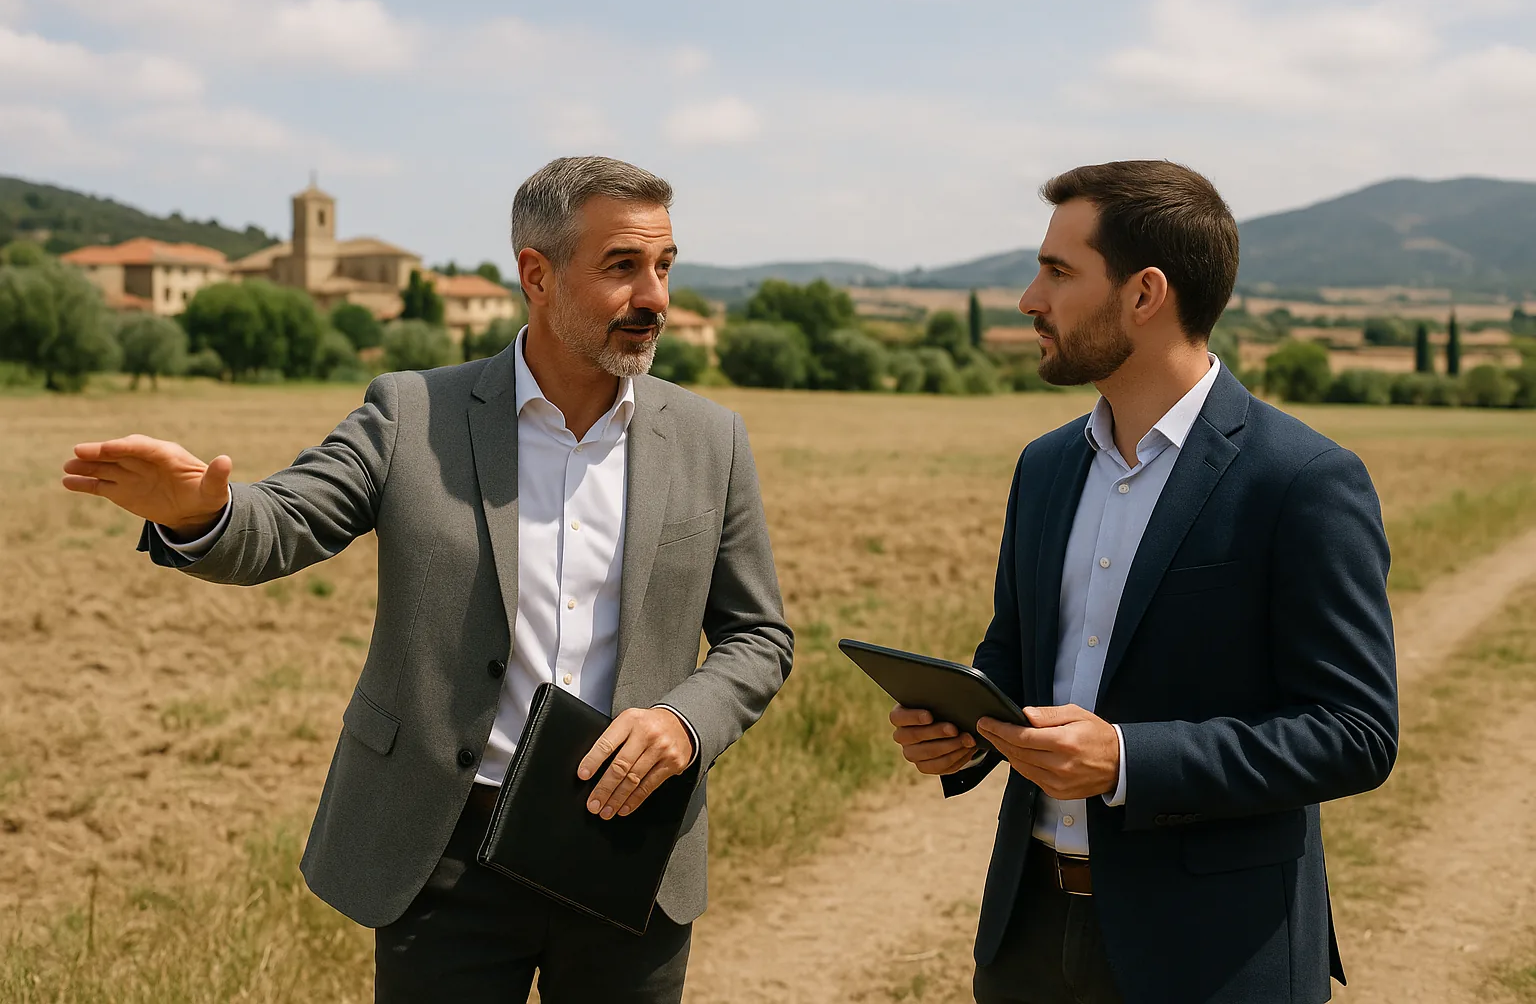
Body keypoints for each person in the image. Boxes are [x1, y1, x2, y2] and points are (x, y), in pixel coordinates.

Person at [62, 155, 793, 1004]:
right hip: (444, 855)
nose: (656, 297)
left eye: (664, 266)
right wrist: (202, 515)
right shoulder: (414, 413)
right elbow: (284, 523)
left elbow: (759, 637)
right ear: (536, 275)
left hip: (630, 855)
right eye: (623, 267)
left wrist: (683, 722)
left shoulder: (712, 439)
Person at [889, 160, 1397, 1004]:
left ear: (1144, 294)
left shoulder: (1302, 480)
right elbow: (1014, 655)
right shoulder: (1045, 467)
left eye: (1058, 271)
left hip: (1214, 951)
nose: (1029, 299)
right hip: (1028, 935)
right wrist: (971, 727)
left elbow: (1353, 732)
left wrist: (1125, 758)